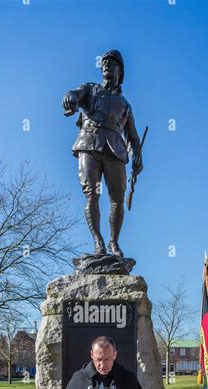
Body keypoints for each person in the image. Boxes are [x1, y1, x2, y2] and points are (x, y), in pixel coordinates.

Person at [62, 49, 143, 256]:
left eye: (112, 63)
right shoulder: (90, 89)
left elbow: (133, 137)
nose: (106, 64)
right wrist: (70, 97)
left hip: (115, 149)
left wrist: (137, 156)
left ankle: (114, 244)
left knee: (117, 198)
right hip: (88, 142)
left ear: (120, 71)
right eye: (104, 62)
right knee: (92, 195)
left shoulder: (125, 104)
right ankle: (99, 243)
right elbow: (74, 94)